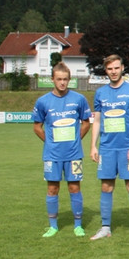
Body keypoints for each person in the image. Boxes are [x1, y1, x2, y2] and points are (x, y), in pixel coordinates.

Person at [88, 55, 129, 241]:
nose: (113, 71)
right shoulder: (100, 93)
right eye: (109, 69)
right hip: (106, 149)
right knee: (106, 187)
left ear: (122, 68)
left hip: (127, 148)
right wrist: (93, 146)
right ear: (105, 70)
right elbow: (97, 121)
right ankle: (105, 227)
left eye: (116, 68)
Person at [32, 62, 91, 237]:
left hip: (74, 154)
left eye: (65, 79)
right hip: (52, 155)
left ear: (69, 80)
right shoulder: (43, 101)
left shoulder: (79, 99)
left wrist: (75, 139)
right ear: (52, 79)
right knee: (52, 189)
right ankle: (53, 226)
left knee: (74, 187)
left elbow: (86, 123)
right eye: (59, 79)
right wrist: (49, 142)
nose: (62, 83)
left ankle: (78, 225)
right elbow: (37, 127)